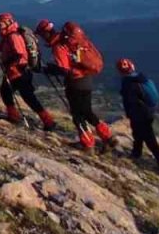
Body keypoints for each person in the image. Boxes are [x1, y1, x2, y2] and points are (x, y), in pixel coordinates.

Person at [37, 20, 113, 150]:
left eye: (41, 34)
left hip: (75, 83)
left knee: (77, 115)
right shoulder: (75, 41)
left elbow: (64, 69)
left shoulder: (59, 46)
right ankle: (108, 137)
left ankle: (87, 143)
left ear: (45, 33)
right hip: (87, 79)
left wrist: (47, 69)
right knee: (87, 112)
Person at [0, 13, 55, 130]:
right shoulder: (8, 35)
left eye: (0, 24)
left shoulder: (13, 36)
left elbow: (20, 54)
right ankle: (43, 120)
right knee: (11, 93)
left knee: (26, 97)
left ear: (8, 22)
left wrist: (7, 62)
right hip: (15, 72)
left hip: (19, 72)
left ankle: (46, 121)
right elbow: (1, 47)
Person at [116, 58, 159, 172]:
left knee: (150, 140)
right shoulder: (141, 77)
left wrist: (130, 113)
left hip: (140, 113)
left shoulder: (128, 83)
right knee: (137, 133)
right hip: (149, 111)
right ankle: (136, 153)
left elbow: (129, 100)